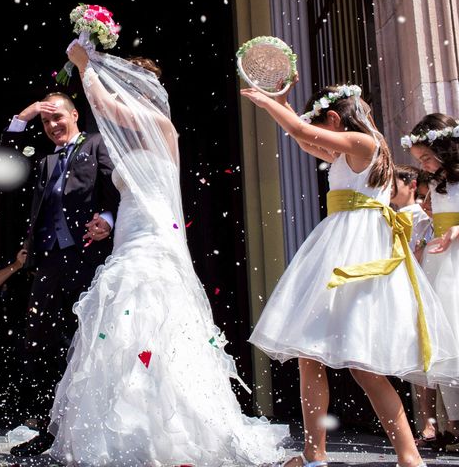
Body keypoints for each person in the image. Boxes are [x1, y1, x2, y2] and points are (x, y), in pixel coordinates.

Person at [44, 42, 289, 465]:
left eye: (126, 87)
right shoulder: (131, 139)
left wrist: (85, 64)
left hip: (153, 240)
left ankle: (172, 431)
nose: (119, 94)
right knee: (125, 327)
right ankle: (133, 427)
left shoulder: (157, 123)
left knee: (150, 317)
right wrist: (108, 222)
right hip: (130, 234)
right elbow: (132, 190)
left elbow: (103, 104)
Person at [241, 82, 456, 467]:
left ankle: (401, 455)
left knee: (360, 364)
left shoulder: (364, 142)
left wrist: (267, 105)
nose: (324, 134)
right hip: (347, 242)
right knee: (317, 356)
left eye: (326, 124)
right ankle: (318, 453)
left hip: (353, 250)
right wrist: (283, 107)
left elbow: (305, 133)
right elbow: (306, 140)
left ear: (336, 118)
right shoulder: (357, 148)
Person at [0, 92, 120, 456]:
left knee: (85, 343)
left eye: (57, 118)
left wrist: (110, 220)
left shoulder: (98, 144)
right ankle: (47, 430)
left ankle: (90, 431)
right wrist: (27, 112)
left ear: (75, 116)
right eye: (46, 121)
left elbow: (119, 188)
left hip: (88, 259)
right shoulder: (44, 159)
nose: (52, 126)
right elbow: (5, 157)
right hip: (49, 265)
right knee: (43, 344)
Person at [405, 113, 459, 467]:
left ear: (446, 148)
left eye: (427, 158)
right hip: (448, 271)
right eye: (420, 161)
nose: (424, 165)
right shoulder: (440, 186)